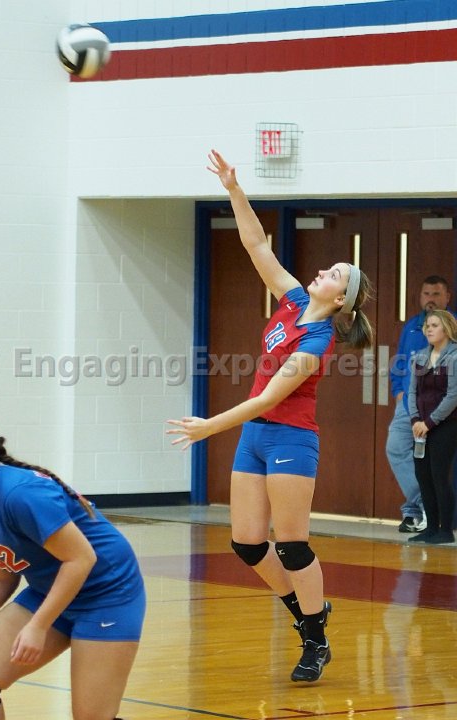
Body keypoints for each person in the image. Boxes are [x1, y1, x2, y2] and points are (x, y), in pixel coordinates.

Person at [167, 149, 373, 683]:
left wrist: (208, 427)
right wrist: (234, 189)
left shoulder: (318, 340)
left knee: (292, 544)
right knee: (247, 542)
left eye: (334, 273)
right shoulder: (293, 300)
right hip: (255, 437)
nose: (323, 271)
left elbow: (266, 400)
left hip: (290, 438)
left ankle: (314, 638)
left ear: (342, 299)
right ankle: (309, 616)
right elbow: (257, 245)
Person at [0, 414, 145, 720]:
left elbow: (81, 558)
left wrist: (38, 626)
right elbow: (0, 579)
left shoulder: (19, 494)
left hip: (106, 594)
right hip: (49, 590)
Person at [386, 275, 451, 534]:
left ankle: (416, 513)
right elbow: (400, 362)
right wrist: (398, 391)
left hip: (440, 408)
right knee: (396, 448)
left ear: (447, 297)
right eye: (426, 294)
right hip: (408, 404)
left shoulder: (453, 327)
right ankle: (423, 505)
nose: (430, 299)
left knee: (433, 462)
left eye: (436, 294)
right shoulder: (412, 326)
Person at [407, 310, 457, 544]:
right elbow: (412, 392)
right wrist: (415, 420)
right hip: (420, 427)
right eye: (427, 325)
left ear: (446, 328)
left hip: (445, 425)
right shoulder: (420, 357)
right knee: (423, 476)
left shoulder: (454, 357)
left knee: (439, 476)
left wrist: (429, 422)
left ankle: (445, 530)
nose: (428, 329)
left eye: (434, 325)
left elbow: (453, 396)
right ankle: (430, 528)